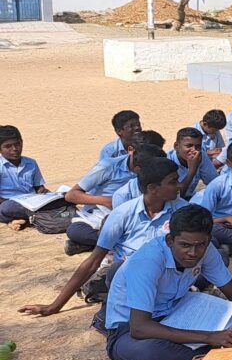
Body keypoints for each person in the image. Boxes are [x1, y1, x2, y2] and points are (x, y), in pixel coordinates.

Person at [103, 205, 232, 360]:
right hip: (130, 329)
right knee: (151, 351)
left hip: (178, 313)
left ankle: (212, 352)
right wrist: (211, 337)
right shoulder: (148, 260)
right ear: (170, 240)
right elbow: (139, 327)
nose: (193, 253)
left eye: (200, 245)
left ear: (208, 240)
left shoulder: (206, 249)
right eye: (185, 245)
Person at [20, 158, 186, 318]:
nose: (179, 186)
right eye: (173, 182)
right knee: (118, 271)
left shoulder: (183, 210)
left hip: (169, 276)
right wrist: (55, 306)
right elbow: (94, 260)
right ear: (152, 188)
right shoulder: (123, 214)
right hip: (130, 276)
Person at [64, 140, 142, 255]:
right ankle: (115, 242)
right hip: (102, 214)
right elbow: (71, 195)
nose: (136, 128)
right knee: (75, 230)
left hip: (132, 216)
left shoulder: (153, 171)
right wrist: (105, 201)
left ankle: (89, 244)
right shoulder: (108, 166)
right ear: (131, 150)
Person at [0, 125, 51, 230]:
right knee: (6, 208)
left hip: (32, 201)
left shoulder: (31, 163)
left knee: (65, 198)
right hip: (7, 203)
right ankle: (35, 216)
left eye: (17, 144)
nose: (14, 149)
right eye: (8, 146)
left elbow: (39, 187)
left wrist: (44, 192)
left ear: (22, 142)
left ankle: (21, 219)